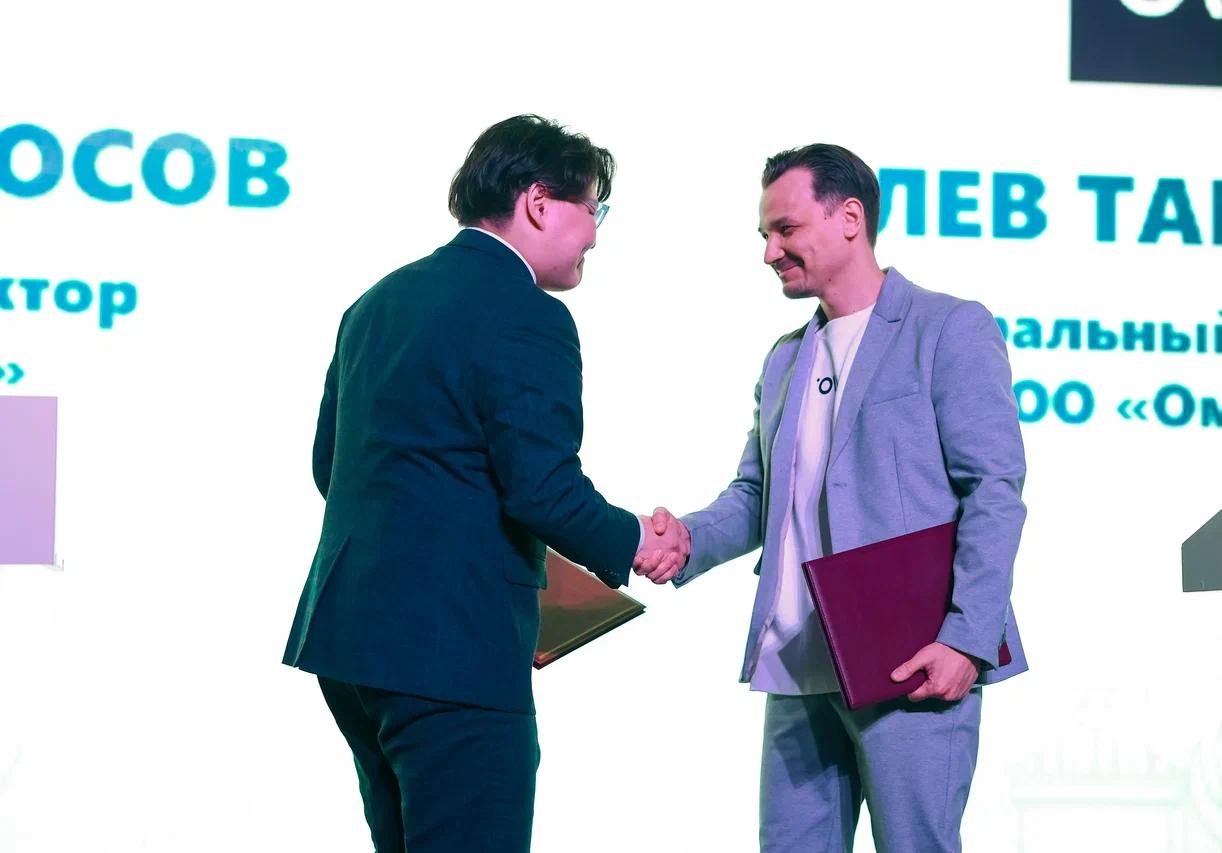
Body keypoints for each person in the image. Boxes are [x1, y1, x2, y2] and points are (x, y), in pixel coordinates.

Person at [283, 114, 688, 853]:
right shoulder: (528, 314)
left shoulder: (377, 302)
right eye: (592, 209)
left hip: (351, 647)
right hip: (453, 653)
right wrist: (637, 539)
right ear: (539, 202)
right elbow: (542, 490)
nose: (595, 235)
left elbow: (332, 468)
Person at [636, 144, 1029, 852]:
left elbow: (994, 491)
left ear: (850, 217)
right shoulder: (786, 355)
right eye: (765, 235)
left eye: (785, 229)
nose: (770, 252)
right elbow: (758, 495)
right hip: (798, 665)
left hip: (910, 659)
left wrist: (967, 639)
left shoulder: (949, 326)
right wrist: (686, 540)